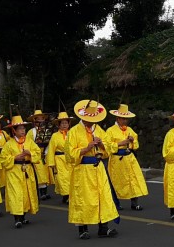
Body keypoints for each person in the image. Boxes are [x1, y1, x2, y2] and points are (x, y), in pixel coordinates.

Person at [64, 99, 120, 239]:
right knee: (83, 199)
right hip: (83, 169)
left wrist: (101, 145)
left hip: (98, 168)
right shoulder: (74, 132)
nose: (91, 122)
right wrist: (86, 149)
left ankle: (103, 227)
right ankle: (83, 229)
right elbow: (70, 155)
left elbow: (109, 150)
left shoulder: (99, 130)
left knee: (103, 197)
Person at [104, 104, 148, 211]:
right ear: (117, 118)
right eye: (123, 119)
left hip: (129, 157)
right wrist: (120, 143)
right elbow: (106, 145)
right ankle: (115, 203)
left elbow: (136, 144)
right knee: (116, 181)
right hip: (117, 159)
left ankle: (134, 203)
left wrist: (132, 141)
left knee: (133, 179)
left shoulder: (129, 130)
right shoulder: (110, 130)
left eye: (126, 119)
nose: (125, 121)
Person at [0, 115, 42, 229]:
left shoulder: (29, 142)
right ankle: (17, 218)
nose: (23, 131)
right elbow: (3, 159)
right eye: (20, 129)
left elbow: (38, 154)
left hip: (27, 169)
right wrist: (14, 158)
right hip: (14, 171)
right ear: (14, 130)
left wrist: (30, 154)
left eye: (23, 128)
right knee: (16, 194)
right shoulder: (9, 144)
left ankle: (23, 216)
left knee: (26, 193)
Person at [45, 111, 73, 204]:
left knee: (71, 178)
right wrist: (51, 163)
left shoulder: (72, 133)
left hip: (71, 159)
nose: (64, 125)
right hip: (60, 159)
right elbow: (51, 150)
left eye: (66, 123)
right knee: (63, 178)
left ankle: (68, 196)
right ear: (59, 125)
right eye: (62, 123)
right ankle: (67, 196)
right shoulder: (55, 136)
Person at [28, 110, 53, 200]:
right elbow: (28, 143)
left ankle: (44, 192)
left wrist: (46, 152)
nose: (40, 121)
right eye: (38, 119)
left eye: (42, 119)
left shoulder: (47, 131)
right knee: (39, 174)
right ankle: (40, 193)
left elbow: (50, 143)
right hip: (35, 154)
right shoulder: (31, 132)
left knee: (45, 173)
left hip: (44, 154)